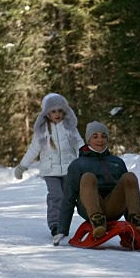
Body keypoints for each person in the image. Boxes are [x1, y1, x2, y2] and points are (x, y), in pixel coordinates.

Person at [52, 121, 140, 246]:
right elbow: (68, 198)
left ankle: (137, 223)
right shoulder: (78, 164)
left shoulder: (117, 162)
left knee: (129, 177)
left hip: (113, 206)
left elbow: (127, 191)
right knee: (88, 177)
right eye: (95, 136)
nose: (100, 140)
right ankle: (97, 222)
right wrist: (62, 230)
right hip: (89, 207)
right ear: (88, 140)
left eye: (103, 136)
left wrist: (130, 227)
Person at [14, 93, 84, 238]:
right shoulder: (42, 130)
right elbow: (34, 149)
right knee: (55, 196)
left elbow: (79, 143)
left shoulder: (69, 127)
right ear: (47, 113)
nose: (57, 114)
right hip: (50, 171)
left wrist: (87, 158)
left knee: (67, 198)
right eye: (53, 111)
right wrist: (22, 166)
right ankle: (54, 225)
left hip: (68, 170)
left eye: (60, 110)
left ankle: (63, 226)